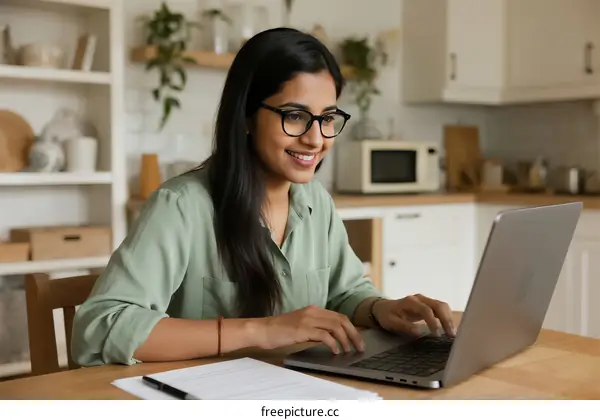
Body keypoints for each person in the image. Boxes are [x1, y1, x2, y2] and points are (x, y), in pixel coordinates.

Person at [71, 27, 455, 367]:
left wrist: (381, 309)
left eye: (327, 117)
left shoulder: (315, 201)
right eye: (295, 116)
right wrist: (262, 330)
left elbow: (345, 291)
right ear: (246, 117)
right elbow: (99, 327)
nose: (316, 138)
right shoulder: (182, 206)